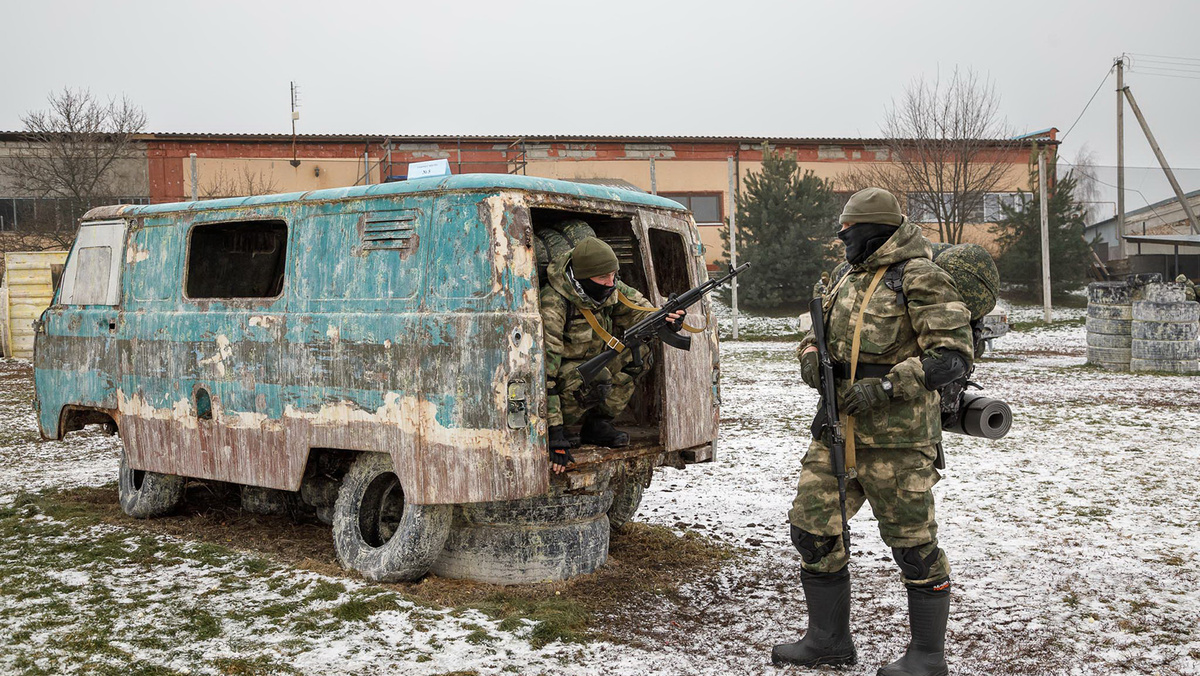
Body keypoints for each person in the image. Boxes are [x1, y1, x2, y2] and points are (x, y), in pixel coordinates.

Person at [773, 188, 974, 676]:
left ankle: (927, 658)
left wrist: (885, 387)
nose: (842, 235)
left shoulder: (920, 276)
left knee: (913, 548)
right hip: (837, 429)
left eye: (849, 228)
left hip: (898, 442)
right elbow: (817, 333)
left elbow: (952, 356)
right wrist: (809, 356)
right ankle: (828, 643)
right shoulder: (846, 276)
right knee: (812, 531)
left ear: (875, 230)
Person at [540, 236, 684, 474]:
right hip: (564, 379)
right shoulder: (553, 303)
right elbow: (545, 375)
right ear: (583, 277)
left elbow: (641, 312)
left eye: (613, 275)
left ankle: (597, 424)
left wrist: (666, 320)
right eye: (602, 278)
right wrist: (553, 434)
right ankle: (565, 426)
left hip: (594, 364)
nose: (610, 283)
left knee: (639, 353)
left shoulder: (610, 286)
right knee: (595, 376)